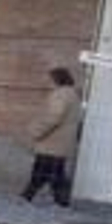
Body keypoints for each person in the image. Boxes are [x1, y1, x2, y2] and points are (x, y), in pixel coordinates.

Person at [22, 66, 82, 207]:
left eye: (50, 79)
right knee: (54, 174)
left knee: (42, 173)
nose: (47, 82)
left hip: (52, 142)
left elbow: (53, 117)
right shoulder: (72, 95)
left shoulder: (60, 95)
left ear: (57, 79)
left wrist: (36, 131)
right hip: (61, 143)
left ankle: (28, 197)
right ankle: (60, 201)